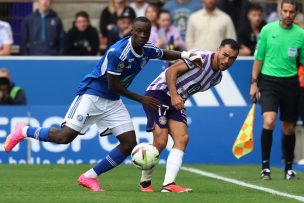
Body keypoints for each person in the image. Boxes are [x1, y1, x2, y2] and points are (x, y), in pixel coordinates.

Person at [3, 17, 202, 192]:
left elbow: (163, 53)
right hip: (92, 95)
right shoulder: (118, 53)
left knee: (128, 144)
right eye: (139, 32)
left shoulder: (147, 49)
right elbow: (113, 85)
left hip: (112, 101)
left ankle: (89, 176)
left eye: (146, 32)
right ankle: (23, 131)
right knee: (64, 138)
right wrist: (141, 99)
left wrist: (185, 55)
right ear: (131, 32)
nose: (142, 35)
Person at [139, 38, 240, 192]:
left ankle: (169, 184)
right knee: (160, 141)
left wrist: (179, 98)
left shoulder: (217, 78)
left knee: (182, 138)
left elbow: (188, 87)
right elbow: (171, 71)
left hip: (177, 100)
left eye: (232, 58)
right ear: (218, 50)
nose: (227, 61)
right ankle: (145, 183)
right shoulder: (200, 57)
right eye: (225, 55)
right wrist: (174, 96)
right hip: (158, 94)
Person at [250, 0, 304, 180]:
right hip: (269, 82)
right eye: (285, 11)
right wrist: (253, 82)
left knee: (288, 127)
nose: (288, 15)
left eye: (292, 12)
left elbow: (302, 62)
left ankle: (289, 168)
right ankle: (265, 167)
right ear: (280, 11)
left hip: (290, 84)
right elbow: (259, 57)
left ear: (296, 13)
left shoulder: (301, 34)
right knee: (269, 121)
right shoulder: (268, 30)